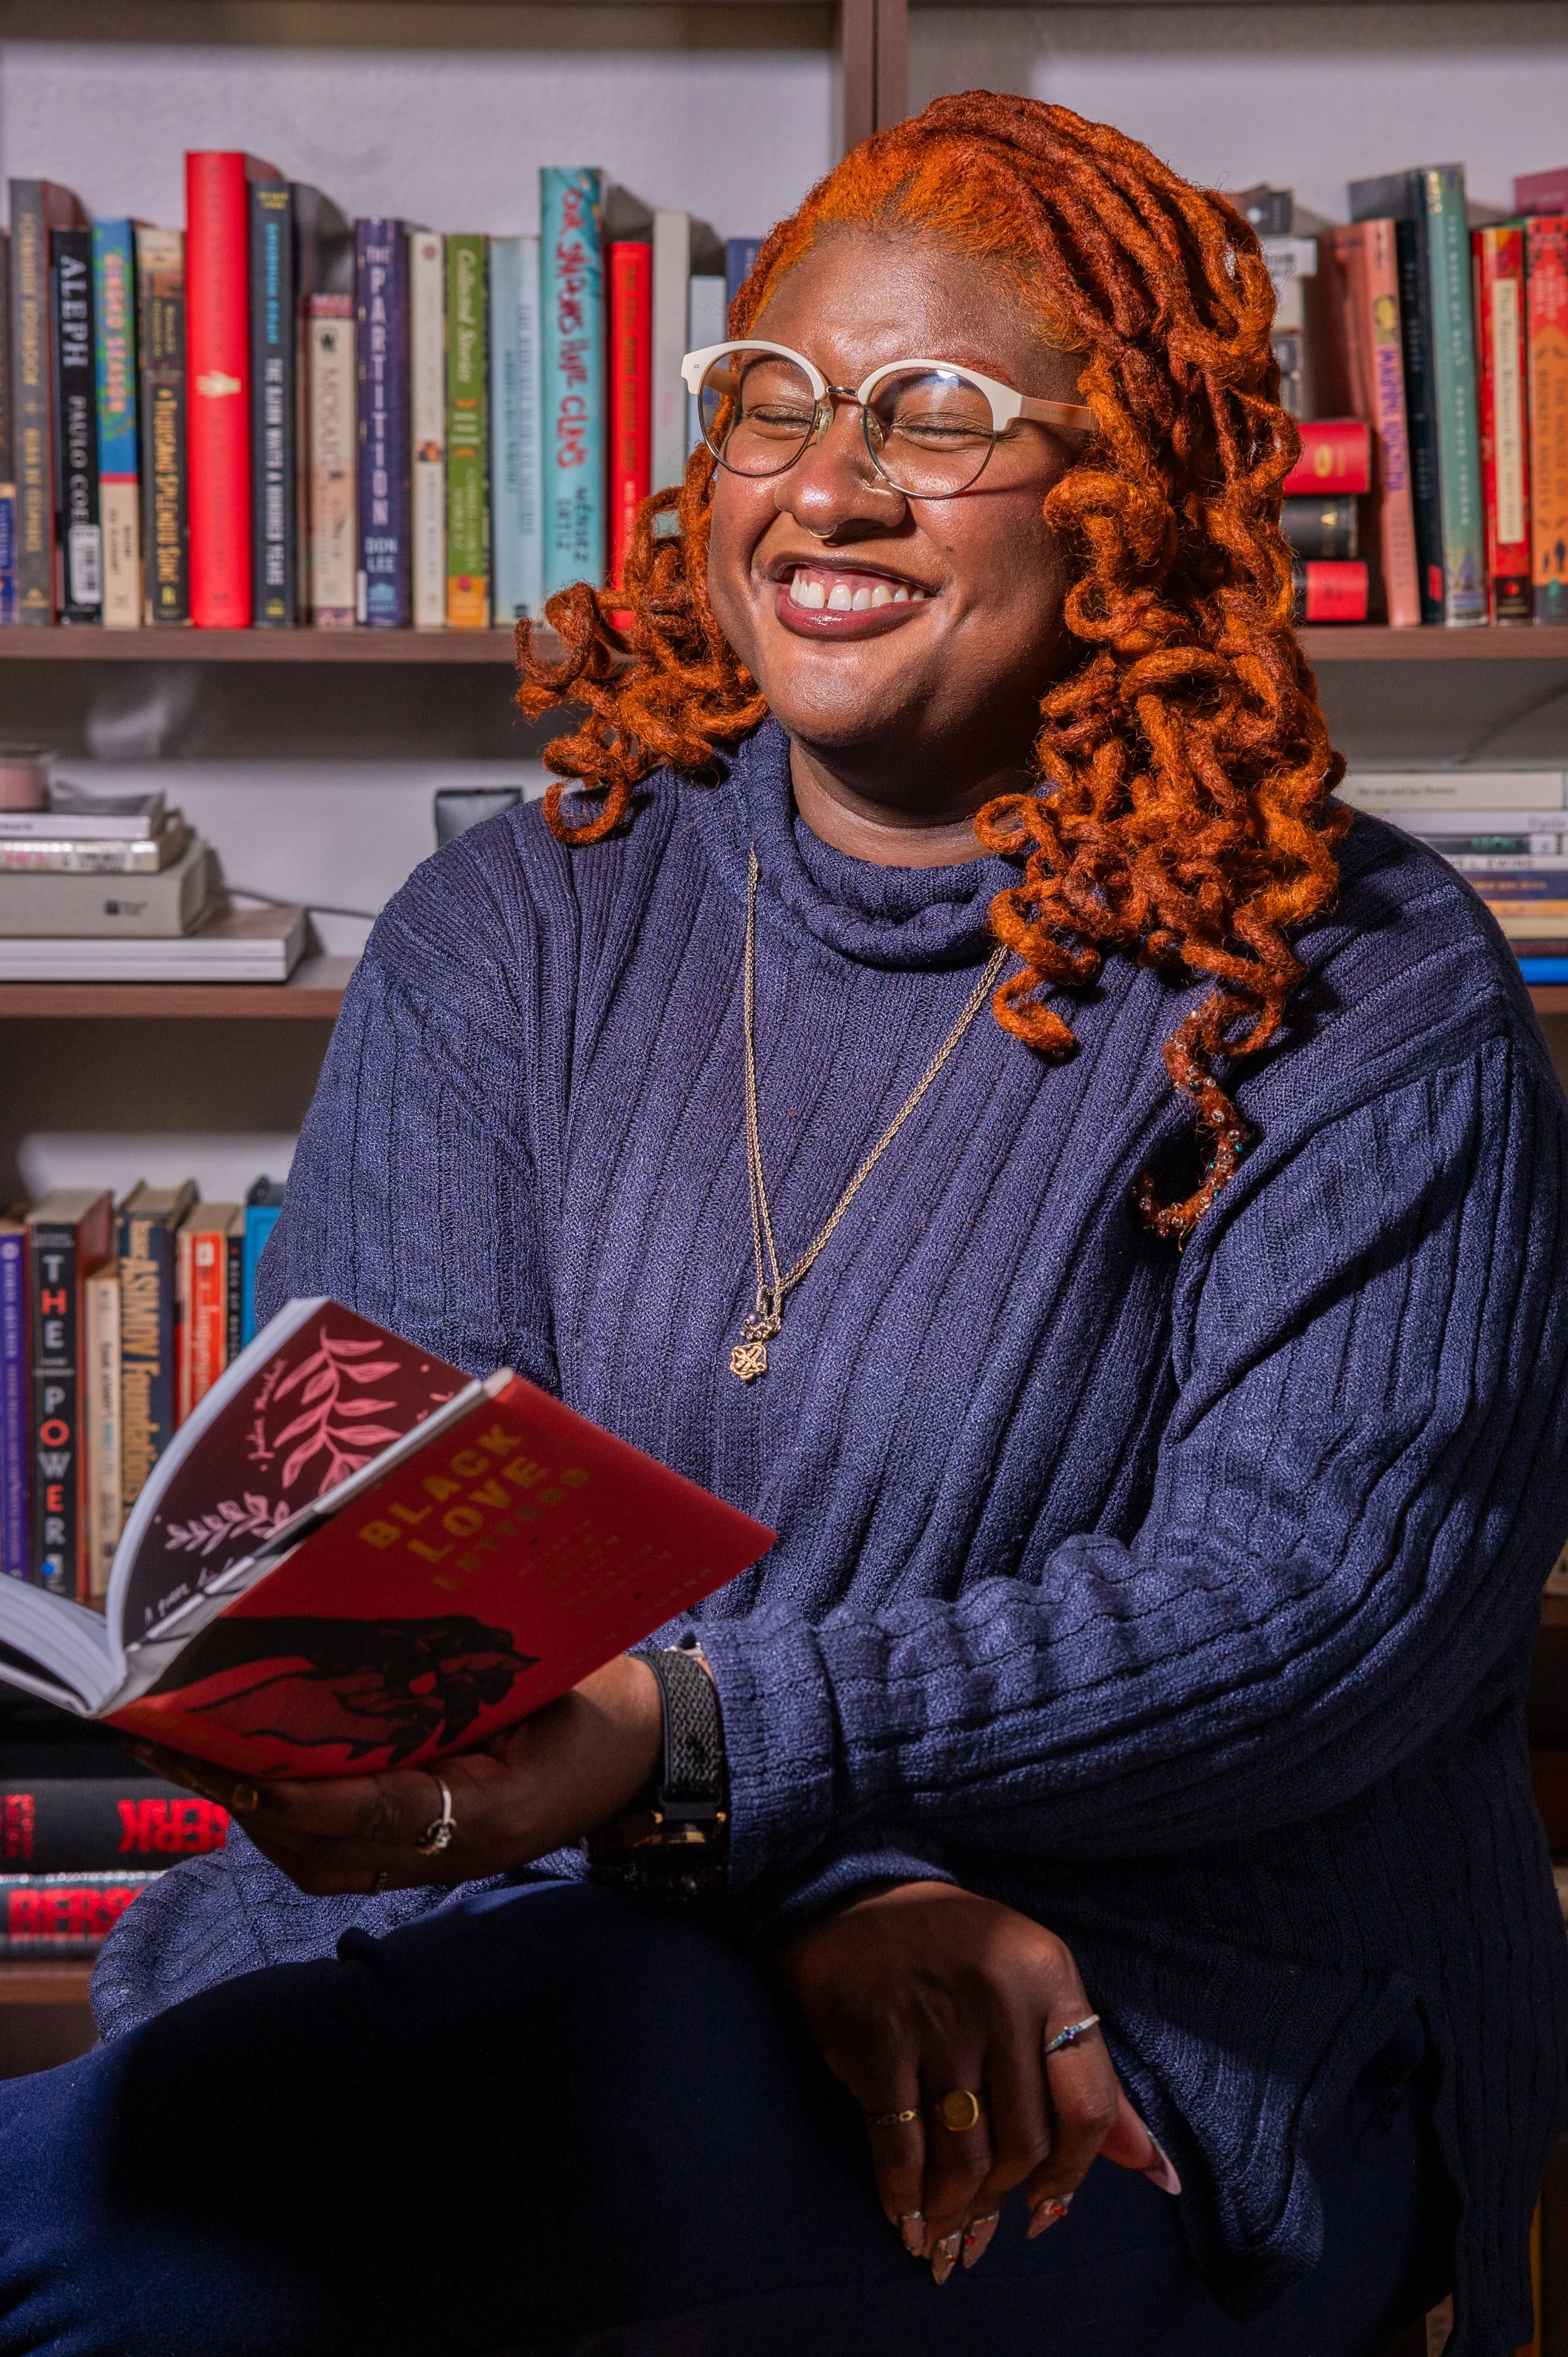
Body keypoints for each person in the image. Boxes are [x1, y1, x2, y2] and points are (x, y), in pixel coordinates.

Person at [0, 91, 1562, 2357]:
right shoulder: (509, 931)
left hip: (1147, 2026)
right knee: (242, 2194)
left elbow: (1307, 1617)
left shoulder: (1358, 985)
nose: (826, 486)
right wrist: (813, 1876)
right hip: (558, 1924)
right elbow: (393, 1571)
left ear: (1125, 496)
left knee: (216, 2236)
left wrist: (697, 1759)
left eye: (935, 414)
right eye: (771, 401)